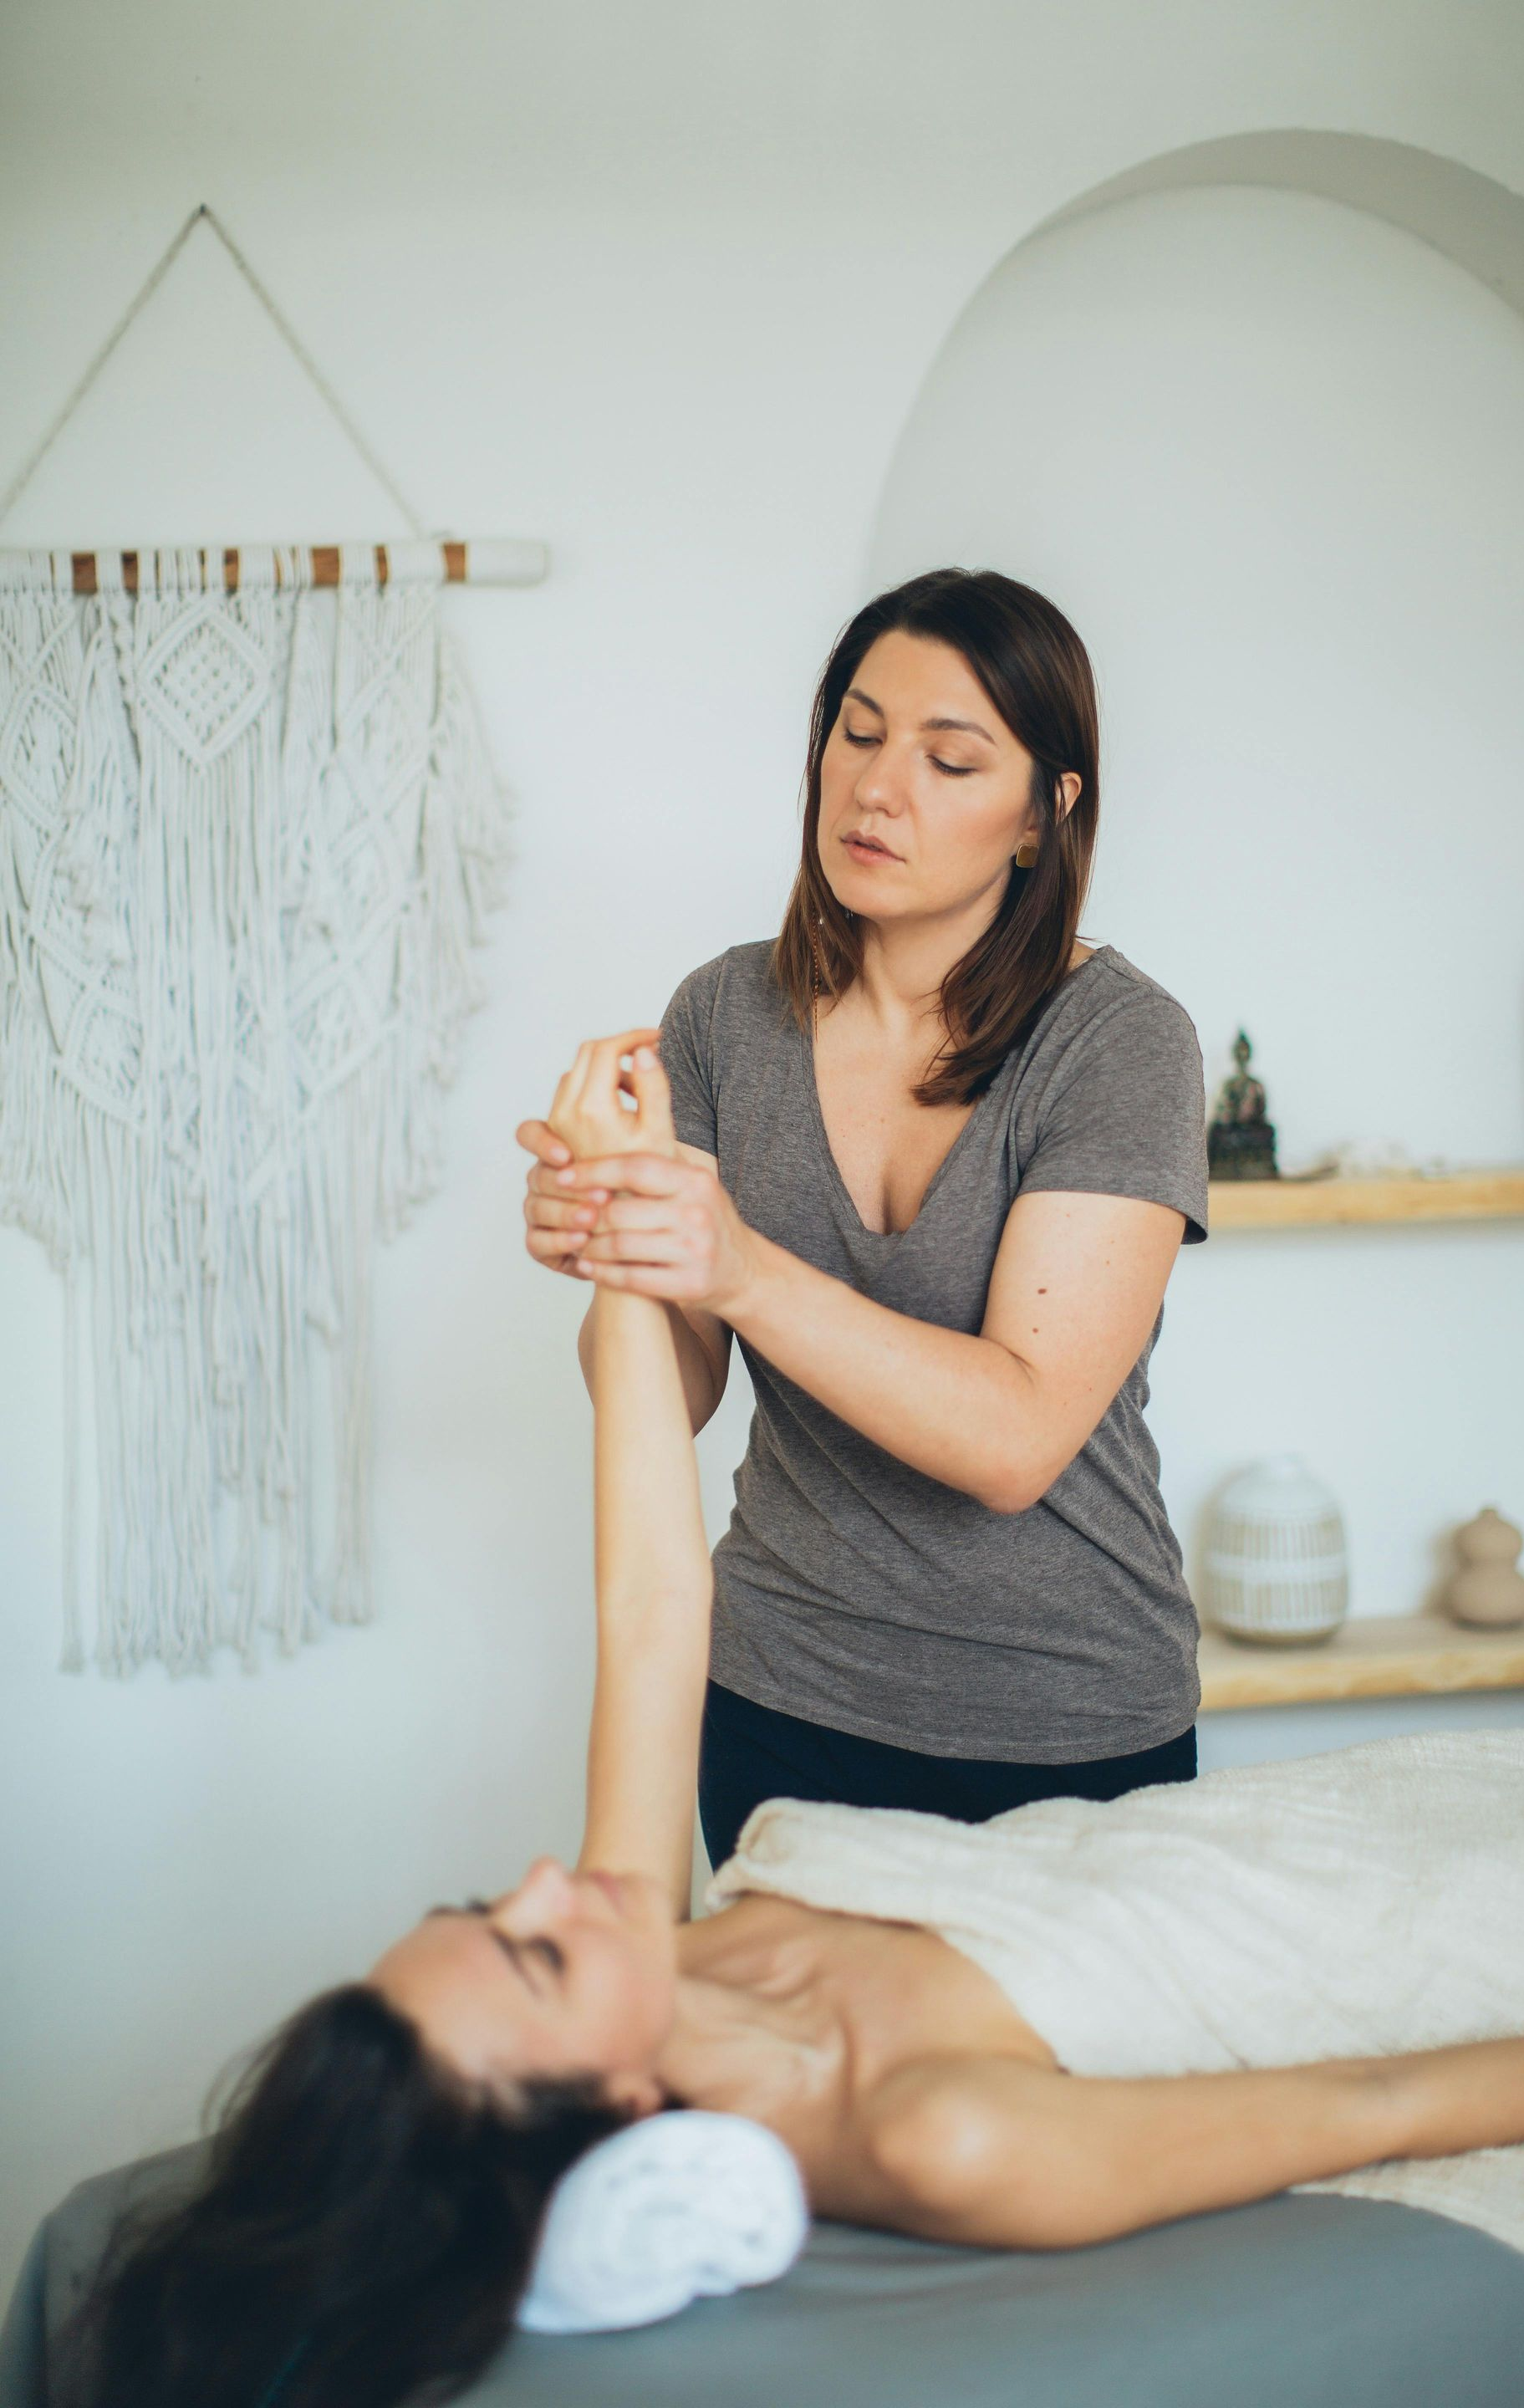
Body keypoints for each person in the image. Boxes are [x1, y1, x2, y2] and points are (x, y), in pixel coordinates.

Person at [67, 1037, 1524, 2408]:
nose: (541, 1883)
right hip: (1433, 1938)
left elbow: (649, 1600)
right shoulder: (933, 2134)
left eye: (483, 1902)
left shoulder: (652, 1928)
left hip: (1364, 1808)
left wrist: (622, 1218)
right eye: (532, 1951)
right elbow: (1376, 2100)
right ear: (624, 2108)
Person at [518, 567, 1211, 1868]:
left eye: (950, 760)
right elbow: (672, 1392)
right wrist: (617, 1250)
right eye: (858, 730)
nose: (877, 787)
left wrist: (731, 1263)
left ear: (1040, 816)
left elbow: (1015, 1437)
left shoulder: (1119, 1043)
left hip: (1069, 1723)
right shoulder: (722, 1017)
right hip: (779, 1695)